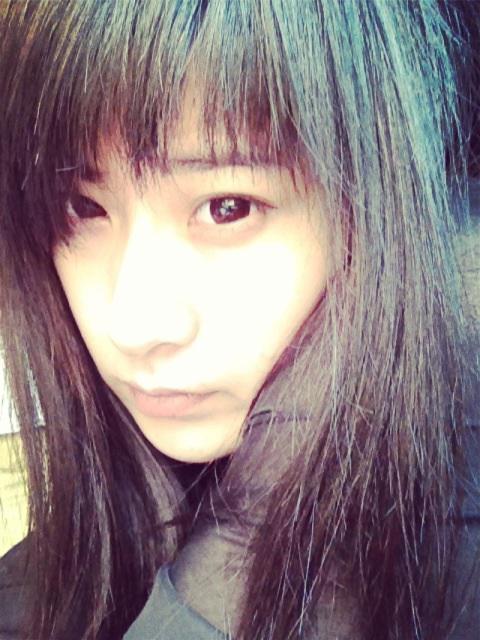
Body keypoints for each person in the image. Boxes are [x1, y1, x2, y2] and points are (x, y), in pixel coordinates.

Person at [0, 1, 478, 638]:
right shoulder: (47, 573)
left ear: (379, 208)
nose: (131, 325)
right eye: (84, 208)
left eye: (228, 207)